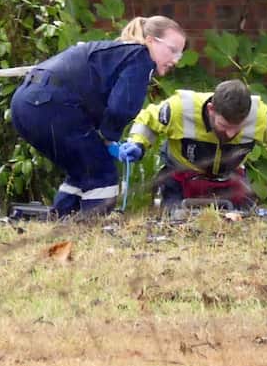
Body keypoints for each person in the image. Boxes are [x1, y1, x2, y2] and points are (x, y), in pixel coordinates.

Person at [11, 16, 185, 216]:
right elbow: (122, 107)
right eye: (172, 50)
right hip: (50, 105)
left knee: (82, 171)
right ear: (151, 41)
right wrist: (109, 137)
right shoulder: (141, 57)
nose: (175, 60)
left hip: (24, 104)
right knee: (102, 173)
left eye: (180, 54)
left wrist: (104, 139)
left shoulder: (117, 53)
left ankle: (61, 220)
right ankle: (93, 228)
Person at [122, 79, 267, 210]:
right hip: (182, 176)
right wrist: (137, 144)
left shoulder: (260, 117)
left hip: (229, 177)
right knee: (173, 222)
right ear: (211, 109)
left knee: (245, 222)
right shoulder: (180, 108)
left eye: (237, 127)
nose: (230, 134)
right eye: (224, 125)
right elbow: (149, 121)